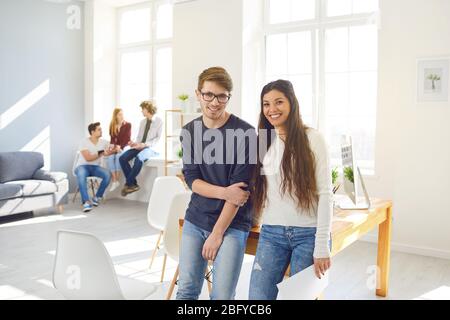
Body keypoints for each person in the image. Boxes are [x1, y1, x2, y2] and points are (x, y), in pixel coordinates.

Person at [176, 67, 257, 300]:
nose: (215, 102)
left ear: (229, 96)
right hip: (196, 218)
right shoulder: (189, 131)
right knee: (187, 290)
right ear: (198, 94)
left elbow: (239, 193)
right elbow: (193, 180)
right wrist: (224, 192)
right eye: (208, 94)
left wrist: (217, 234)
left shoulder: (246, 133)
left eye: (222, 96)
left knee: (222, 296)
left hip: (232, 223)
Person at [248, 79, 333, 300]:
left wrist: (322, 246)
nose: (272, 109)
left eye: (278, 102)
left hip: (308, 234)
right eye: (266, 104)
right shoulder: (263, 142)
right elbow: (261, 190)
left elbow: (325, 194)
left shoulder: (313, 139)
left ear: (291, 103)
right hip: (271, 233)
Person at [119, 101, 162, 196]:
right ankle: (132, 184)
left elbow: (158, 139)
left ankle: (129, 184)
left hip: (151, 149)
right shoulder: (142, 122)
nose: (141, 111)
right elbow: (139, 137)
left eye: (142, 109)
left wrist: (145, 145)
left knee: (139, 158)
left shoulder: (159, 121)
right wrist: (134, 143)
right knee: (122, 158)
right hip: (140, 146)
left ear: (148, 109)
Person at [74, 122, 113, 212]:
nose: (101, 131)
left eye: (101, 129)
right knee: (81, 174)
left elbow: (111, 149)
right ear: (92, 132)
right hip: (82, 166)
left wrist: (115, 149)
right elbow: (88, 158)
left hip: (95, 167)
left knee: (107, 174)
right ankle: (86, 202)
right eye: (99, 129)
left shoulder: (104, 142)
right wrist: (101, 152)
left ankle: (97, 197)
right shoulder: (84, 142)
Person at [107, 108, 131, 192]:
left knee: (118, 157)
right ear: (115, 116)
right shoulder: (112, 125)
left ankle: (116, 180)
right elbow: (112, 139)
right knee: (110, 157)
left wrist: (120, 147)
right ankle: (115, 180)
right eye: (120, 114)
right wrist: (111, 146)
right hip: (116, 147)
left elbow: (127, 139)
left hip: (125, 146)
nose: (122, 116)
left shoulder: (127, 125)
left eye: (122, 114)